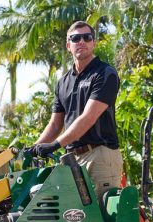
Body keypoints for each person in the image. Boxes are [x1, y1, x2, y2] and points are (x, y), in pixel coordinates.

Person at [31, 21, 121, 199]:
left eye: (87, 37)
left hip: (99, 155)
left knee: (100, 221)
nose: (81, 41)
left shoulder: (104, 73)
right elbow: (55, 124)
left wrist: (56, 144)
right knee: (72, 220)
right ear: (68, 45)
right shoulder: (63, 82)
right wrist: (34, 147)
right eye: (75, 38)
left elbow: (88, 117)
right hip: (71, 159)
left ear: (93, 43)